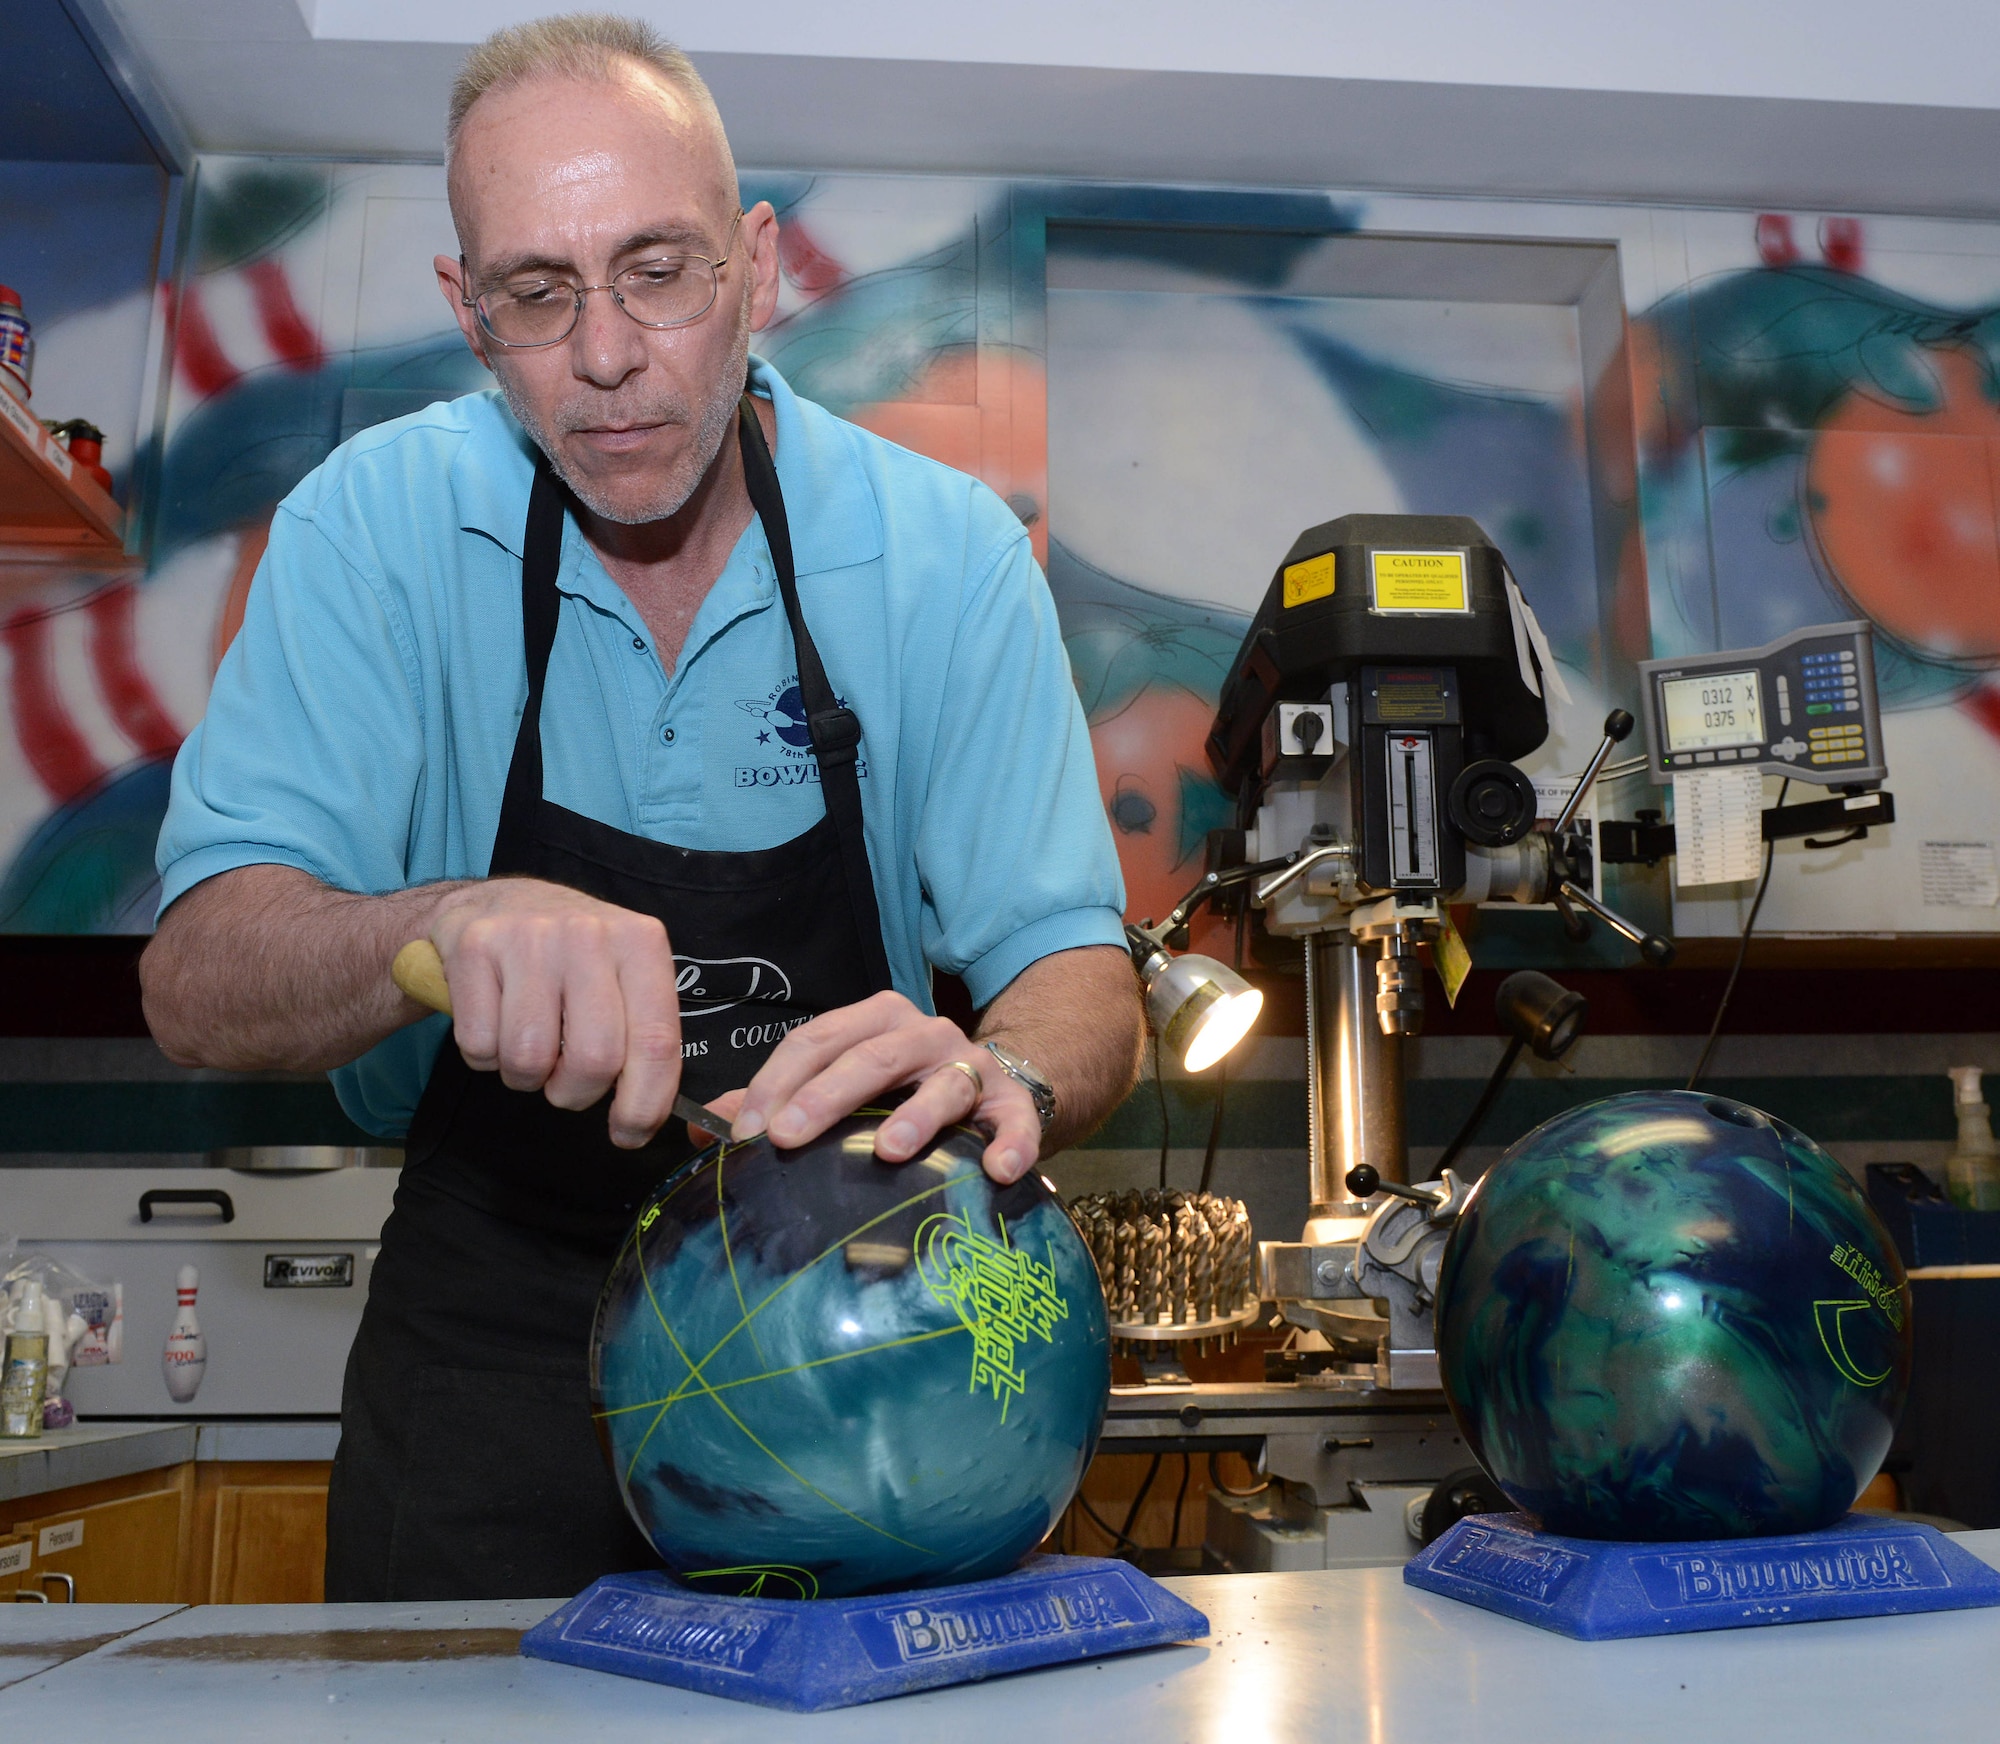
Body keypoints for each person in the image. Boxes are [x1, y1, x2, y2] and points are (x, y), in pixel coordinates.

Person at [140, 13, 1142, 1602]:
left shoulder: (945, 554)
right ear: (468, 315)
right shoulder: (372, 528)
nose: (606, 355)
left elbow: (1080, 977)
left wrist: (998, 1060)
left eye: (659, 272)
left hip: (858, 1314)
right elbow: (196, 980)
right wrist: (441, 921)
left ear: (754, 266)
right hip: (485, 1319)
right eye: (539, 294)